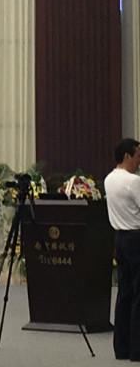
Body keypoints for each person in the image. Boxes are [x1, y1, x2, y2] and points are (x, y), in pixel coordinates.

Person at [104, 138, 140, 361]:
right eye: (137, 156)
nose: (139, 161)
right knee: (139, 296)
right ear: (127, 156)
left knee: (124, 294)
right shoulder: (133, 181)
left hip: (120, 238)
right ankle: (137, 349)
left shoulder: (109, 179)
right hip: (137, 238)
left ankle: (122, 347)